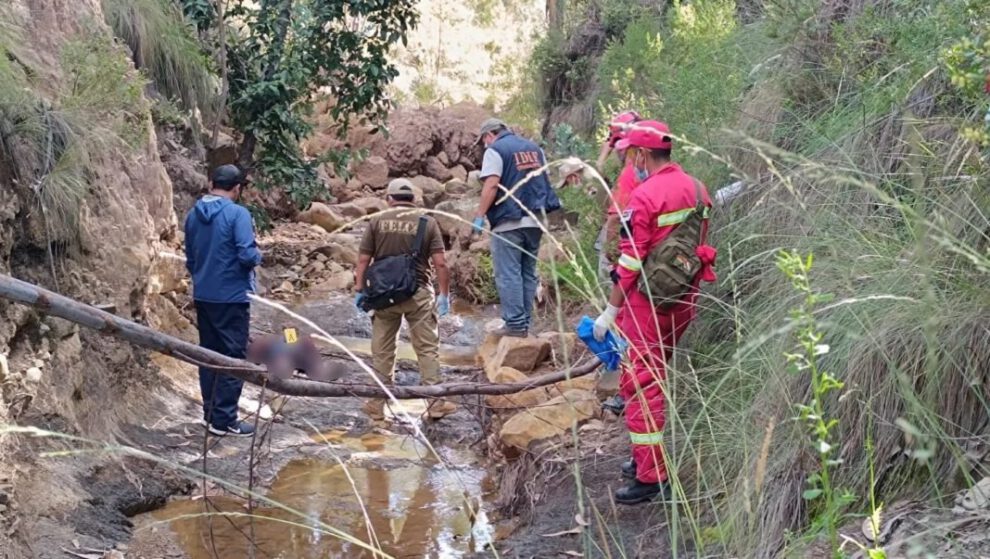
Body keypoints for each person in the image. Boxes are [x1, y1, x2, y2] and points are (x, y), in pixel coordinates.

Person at [592, 121, 716, 504]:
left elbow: (630, 261)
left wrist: (610, 312)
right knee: (655, 377)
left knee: (642, 386)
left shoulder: (643, 197)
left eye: (632, 154)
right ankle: (644, 457)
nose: (632, 161)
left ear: (643, 155)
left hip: (648, 304)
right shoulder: (698, 188)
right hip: (684, 300)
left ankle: (652, 476)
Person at [355, 179, 454, 421]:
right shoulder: (427, 223)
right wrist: (444, 294)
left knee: (382, 351)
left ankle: (376, 405)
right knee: (427, 349)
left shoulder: (376, 222)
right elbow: (440, 263)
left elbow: (362, 261)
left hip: (383, 296)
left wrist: (360, 290)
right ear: (413, 199)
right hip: (418, 292)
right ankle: (435, 404)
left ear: (389, 198)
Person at [184, 164, 262, 437]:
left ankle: (210, 414)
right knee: (232, 358)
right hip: (231, 297)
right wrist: (258, 255)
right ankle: (225, 420)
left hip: (203, 294)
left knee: (209, 354)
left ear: (210, 184)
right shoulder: (238, 214)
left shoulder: (193, 214)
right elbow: (246, 255)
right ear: (237, 189)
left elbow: (191, 258)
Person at [471, 118, 561, 338]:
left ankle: (514, 324)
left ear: (489, 135)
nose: (485, 146)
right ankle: (525, 323)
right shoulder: (534, 148)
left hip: (508, 221)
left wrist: (480, 216)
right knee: (527, 272)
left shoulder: (495, 150)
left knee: (508, 273)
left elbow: (492, 184)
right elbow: (544, 181)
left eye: (484, 141)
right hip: (535, 220)